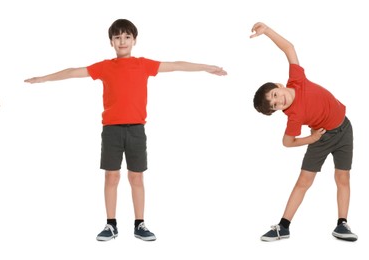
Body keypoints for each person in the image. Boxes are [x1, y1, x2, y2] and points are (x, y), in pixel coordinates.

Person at [24, 18, 226, 242]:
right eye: (117, 37)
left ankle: (140, 224)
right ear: (111, 41)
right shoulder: (104, 67)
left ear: (134, 40)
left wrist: (206, 68)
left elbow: (176, 64)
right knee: (111, 177)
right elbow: (73, 72)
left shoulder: (143, 64)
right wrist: (42, 79)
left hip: (137, 130)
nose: (122, 41)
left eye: (127, 37)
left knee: (136, 178)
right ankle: (111, 225)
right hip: (111, 130)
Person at [250, 22, 358, 242]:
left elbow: (289, 48)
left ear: (279, 86)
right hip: (321, 138)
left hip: (345, 129)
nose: (279, 100)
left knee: (343, 177)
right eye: (275, 105)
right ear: (278, 111)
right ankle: (283, 226)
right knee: (304, 181)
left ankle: (342, 224)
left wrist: (267, 31)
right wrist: (312, 138)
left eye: (274, 95)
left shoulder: (296, 80)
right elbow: (287, 142)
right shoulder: (293, 116)